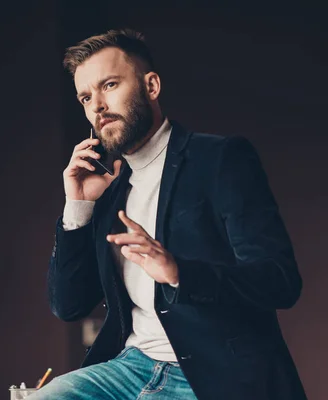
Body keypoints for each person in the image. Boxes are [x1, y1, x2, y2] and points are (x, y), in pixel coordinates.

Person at [34, 28, 306, 400]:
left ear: (152, 86)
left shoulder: (220, 159)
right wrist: (78, 207)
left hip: (214, 373)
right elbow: (69, 306)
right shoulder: (107, 189)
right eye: (85, 96)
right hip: (131, 366)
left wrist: (179, 273)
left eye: (109, 85)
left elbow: (280, 280)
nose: (96, 105)